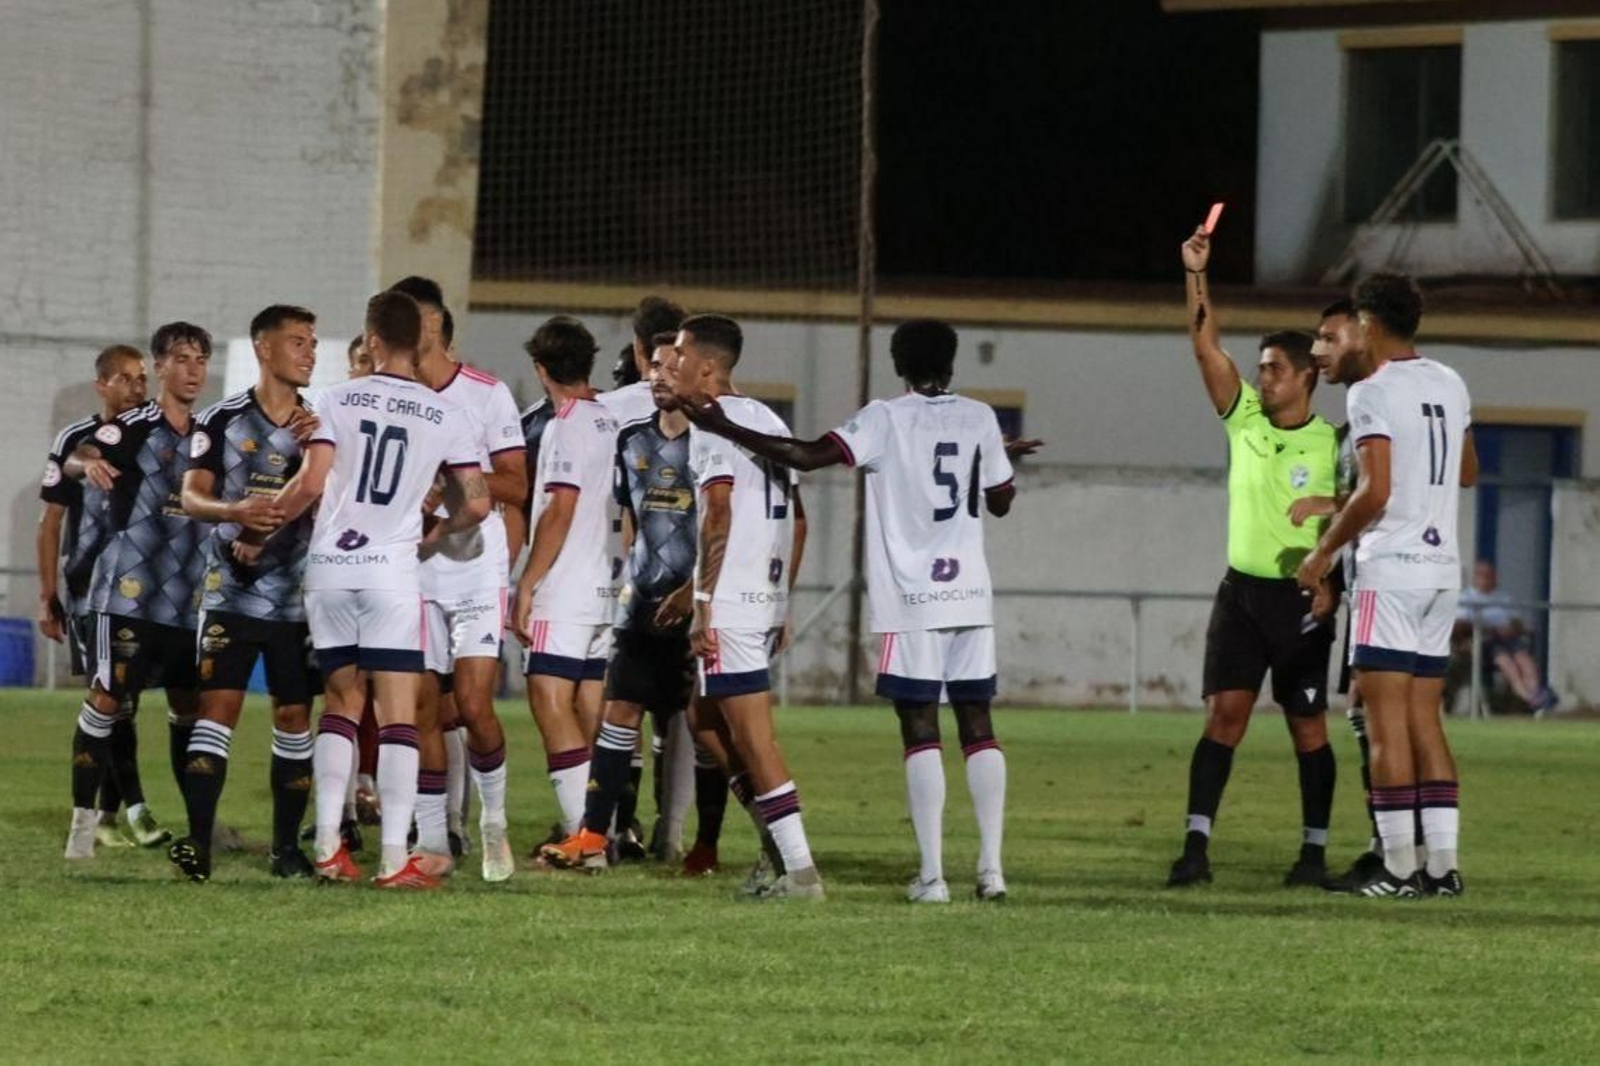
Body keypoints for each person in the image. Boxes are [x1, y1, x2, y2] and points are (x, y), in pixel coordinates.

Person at [683, 318, 1039, 903]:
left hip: (913, 598)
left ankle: (933, 877)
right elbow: (1000, 501)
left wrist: (720, 424)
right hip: (971, 593)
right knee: (979, 725)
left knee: (920, 729)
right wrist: (988, 461)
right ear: (951, 364)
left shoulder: (884, 418)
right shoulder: (980, 417)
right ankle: (992, 873)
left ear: (899, 365)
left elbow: (806, 456)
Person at [275, 290, 489, 889]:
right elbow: (478, 503)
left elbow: (311, 482)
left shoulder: (331, 399)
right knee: (397, 715)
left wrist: (260, 522)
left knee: (340, 704)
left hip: (330, 568)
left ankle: (327, 847)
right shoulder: (446, 413)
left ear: (371, 340)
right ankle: (394, 858)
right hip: (390, 571)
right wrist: (435, 528)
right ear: (419, 343)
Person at [1168, 226, 1340, 889]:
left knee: (1308, 727)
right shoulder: (1243, 419)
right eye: (1260, 367)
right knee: (1224, 719)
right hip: (1241, 596)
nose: (1262, 378)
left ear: (1306, 377)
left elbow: (1360, 513)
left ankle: (1313, 855)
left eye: (1273, 368)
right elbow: (1204, 343)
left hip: (1301, 601)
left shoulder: (1333, 444)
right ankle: (1195, 849)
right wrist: (1196, 273)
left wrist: (1332, 566)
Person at [1298, 272, 1477, 899]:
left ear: (1369, 324)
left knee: (1383, 724)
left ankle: (1398, 868)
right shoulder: (1449, 380)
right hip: (1441, 571)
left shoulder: (1372, 391)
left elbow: (1375, 492)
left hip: (1392, 571)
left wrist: (1323, 550)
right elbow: (1468, 470)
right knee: (1426, 720)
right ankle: (1443, 868)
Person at [539, 333, 709, 873]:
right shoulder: (632, 439)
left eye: (671, 367)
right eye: (654, 366)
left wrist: (696, 589)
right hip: (640, 605)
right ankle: (593, 837)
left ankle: (730, 842)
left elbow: (725, 524)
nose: (659, 376)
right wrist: (630, 579)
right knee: (619, 712)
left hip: (696, 608)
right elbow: (628, 516)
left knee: (709, 730)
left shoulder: (712, 441)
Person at [668, 313, 821, 900]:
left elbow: (719, 512)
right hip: (759, 597)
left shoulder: (713, 423)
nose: (672, 363)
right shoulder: (766, 419)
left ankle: (800, 871)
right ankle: (776, 848)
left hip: (731, 603)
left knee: (755, 740)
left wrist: (704, 603)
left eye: (680, 354)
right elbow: (797, 521)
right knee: (703, 719)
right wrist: (781, 600)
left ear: (707, 366)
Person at [166, 305, 322, 882]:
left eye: (312, 343)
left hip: (295, 597)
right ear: (263, 347)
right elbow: (191, 497)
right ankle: (199, 846)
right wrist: (235, 511)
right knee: (218, 710)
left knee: (294, 714)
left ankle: (286, 850)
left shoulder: (319, 424)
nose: (309, 353)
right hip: (228, 592)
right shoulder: (221, 420)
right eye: (297, 341)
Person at [392, 276, 528, 883]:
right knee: (422, 707)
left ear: (436, 328)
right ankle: (433, 839)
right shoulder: (392, 395)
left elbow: (515, 485)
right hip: (416, 569)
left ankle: (493, 821)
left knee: (473, 706)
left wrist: (450, 480)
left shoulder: (485, 394)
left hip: (474, 568)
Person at [61, 323, 212, 860]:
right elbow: (79, 455)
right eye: (182, 359)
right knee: (108, 698)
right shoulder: (132, 427)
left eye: (201, 360)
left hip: (187, 601)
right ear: (161, 366)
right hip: (127, 595)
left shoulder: (209, 434)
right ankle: (83, 828)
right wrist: (87, 463)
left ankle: (198, 828)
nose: (193, 370)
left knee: (188, 706)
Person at [511, 317, 620, 845]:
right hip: (606, 585)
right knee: (589, 709)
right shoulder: (610, 420)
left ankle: (585, 836)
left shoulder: (566, 424)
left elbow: (560, 508)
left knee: (549, 700)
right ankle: (604, 829)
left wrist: (527, 583)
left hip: (567, 586)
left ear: (541, 369)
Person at [38, 345, 152, 847]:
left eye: (141, 378)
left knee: (126, 699)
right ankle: (123, 812)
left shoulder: (154, 437)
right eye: (124, 378)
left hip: (147, 590)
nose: (136, 387)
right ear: (101, 385)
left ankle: (109, 814)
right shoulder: (75, 439)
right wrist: (47, 595)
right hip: (90, 589)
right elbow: (51, 521)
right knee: (110, 696)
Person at [1455, 560, 1558, 715]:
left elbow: (1518, 623)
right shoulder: (1466, 598)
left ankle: (1535, 693)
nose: (1486, 579)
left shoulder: (1503, 598)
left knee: (1524, 658)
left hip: (1507, 639)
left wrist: (1512, 628)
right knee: (1505, 660)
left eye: (1490, 575)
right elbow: (1460, 625)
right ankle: (1527, 697)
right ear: (1475, 578)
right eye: (1482, 575)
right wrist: (1491, 629)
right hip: (1483, 642)